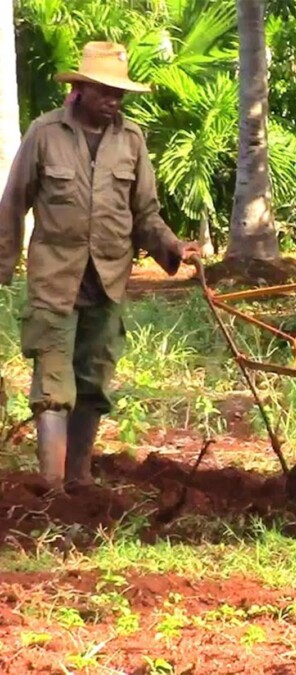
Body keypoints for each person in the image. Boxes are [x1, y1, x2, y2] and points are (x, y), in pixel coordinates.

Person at [0, 42, 202, 489]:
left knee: (93, 381)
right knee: (53, 387)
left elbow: (144, 213)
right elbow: (13, 203)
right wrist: (3, 264)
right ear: (80, 89)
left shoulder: (131, 140)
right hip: (55, 280)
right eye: (106, 92)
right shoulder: (45, 133)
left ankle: (80, 479)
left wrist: (173, 248)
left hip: (108, 280)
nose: (114, 101)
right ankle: (51, 486)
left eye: (120, 94)